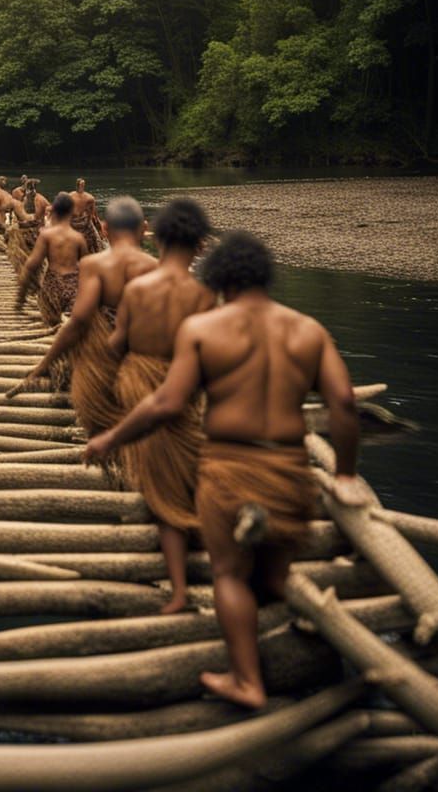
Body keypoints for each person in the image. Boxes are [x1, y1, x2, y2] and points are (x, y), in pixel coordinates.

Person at [85, 231, 365, 709]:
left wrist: (111, 437)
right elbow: (342, 404)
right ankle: (304, 649)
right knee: (274, 578)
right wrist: (343, 473)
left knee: (230, 574)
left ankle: (247, 681)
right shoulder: (308, 330)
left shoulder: (204, 329)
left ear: (220, 280)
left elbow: (167, 402)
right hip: (288, 467)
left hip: (230, 466)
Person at [96, 198, 216, 614]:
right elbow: (209, 356)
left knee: (159, 480)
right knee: (182, 474)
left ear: (156, 236)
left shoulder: (137, 289)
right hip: (181, 392)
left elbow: (117, 343)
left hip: (138, 385)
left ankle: (179, 589)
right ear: (200, 245)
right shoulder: (203, 295)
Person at [18, 197, 157, 434]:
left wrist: (46, 361)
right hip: (142, 353)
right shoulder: (155, 267)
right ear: (144, 228)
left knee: (89, 391)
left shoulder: (97, 265)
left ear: (104, 228)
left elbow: (79, 320)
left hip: (103, 350)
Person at [16, 192, 87, 325]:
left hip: (53, 284)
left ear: (54, 210)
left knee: (52, 322)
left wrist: (22, 295)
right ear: (71, 211)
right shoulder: (78, 238)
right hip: (73, 286)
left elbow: (33, 263)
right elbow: (87, 266)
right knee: (71, 322)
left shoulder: (47, 236)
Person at [6, 179, 50, 276]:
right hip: (33, 231)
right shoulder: (38, 199)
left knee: (29, 253)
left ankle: (30, 272)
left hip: (29, 231)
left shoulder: (29, 199)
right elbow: (50, 210)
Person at [69, 177, 102, 254]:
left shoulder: (89, 198)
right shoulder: (70, 196)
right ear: (77, 186)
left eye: (82, 185)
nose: (81, 186)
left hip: (85, 221)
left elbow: (93, 213)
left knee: (95, 238)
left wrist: (96, 221)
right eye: (80, 185)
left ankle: (97, 250)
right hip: (74, 221)